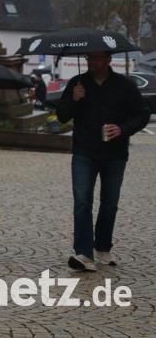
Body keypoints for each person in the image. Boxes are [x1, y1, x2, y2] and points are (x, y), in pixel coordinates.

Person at [56, 51, 149, 271]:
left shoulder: (124, 86)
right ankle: (83, 253)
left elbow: (142, 114)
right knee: (82, 201)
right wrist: (74, 99)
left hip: (115, 154)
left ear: (108, 60)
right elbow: (61, 115)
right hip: (84, 151)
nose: (92, 62)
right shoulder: (77, 83)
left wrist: (123, 129)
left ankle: (103, 246)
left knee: (109, 203)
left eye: (97, 58)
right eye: (89, 58)